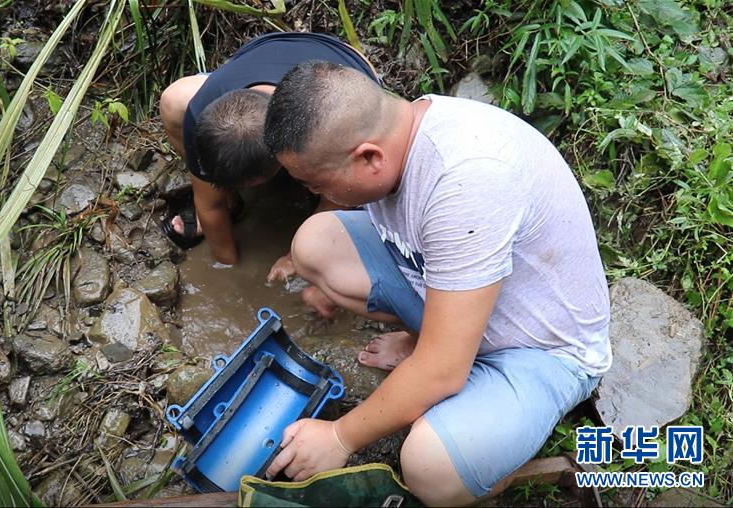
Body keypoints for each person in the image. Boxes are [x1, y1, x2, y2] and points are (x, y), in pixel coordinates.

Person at [261, 62, 612, 506]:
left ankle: (491, 432)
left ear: (369, 158)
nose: (314, 192)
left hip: (538, 350)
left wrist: (338, 437)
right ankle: (428, 343)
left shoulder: (466, 179)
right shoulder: (401, 132)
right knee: (314, 242)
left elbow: (445, 369)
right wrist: (418, 341)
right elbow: (411, 254)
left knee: (429, 468)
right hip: (459, 301)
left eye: (315, 181)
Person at [159, 32, 379, 280]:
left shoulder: (326, 129)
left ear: (282, 162)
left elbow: (342, 196)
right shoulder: (203, 111)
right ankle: (233, 203)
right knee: (174, 99)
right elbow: (210, 205)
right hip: (269, 61)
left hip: (346, 70)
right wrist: (228, 267)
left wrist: (294, 258)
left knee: (341, 183)